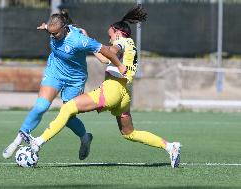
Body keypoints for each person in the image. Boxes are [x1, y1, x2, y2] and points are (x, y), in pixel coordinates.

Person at [25, 4, 181, 168]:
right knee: (130, 133)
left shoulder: (121, 41)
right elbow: (104, 58)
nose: (110, 39)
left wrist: (105, 47)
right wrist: (87, 42)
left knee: (67, 108)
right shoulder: (131, 45)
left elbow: (111, 50)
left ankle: (38, 142)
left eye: (110, 35)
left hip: (112, 89)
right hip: (124, 94)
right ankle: (170, 147)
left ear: (118, 32)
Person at [2, 10, 126, 161]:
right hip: (54, 73)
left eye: (55, 34)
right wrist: (45, 28)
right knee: (40, 107)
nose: (53, 36)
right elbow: (50, 28)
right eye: (50, 33)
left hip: (75, 79)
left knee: (67, 116)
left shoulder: (79, 40)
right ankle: (17, 141)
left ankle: (85, 137)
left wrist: (119, 65)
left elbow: (105, 51)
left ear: (64, 28)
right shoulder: (52, 28)